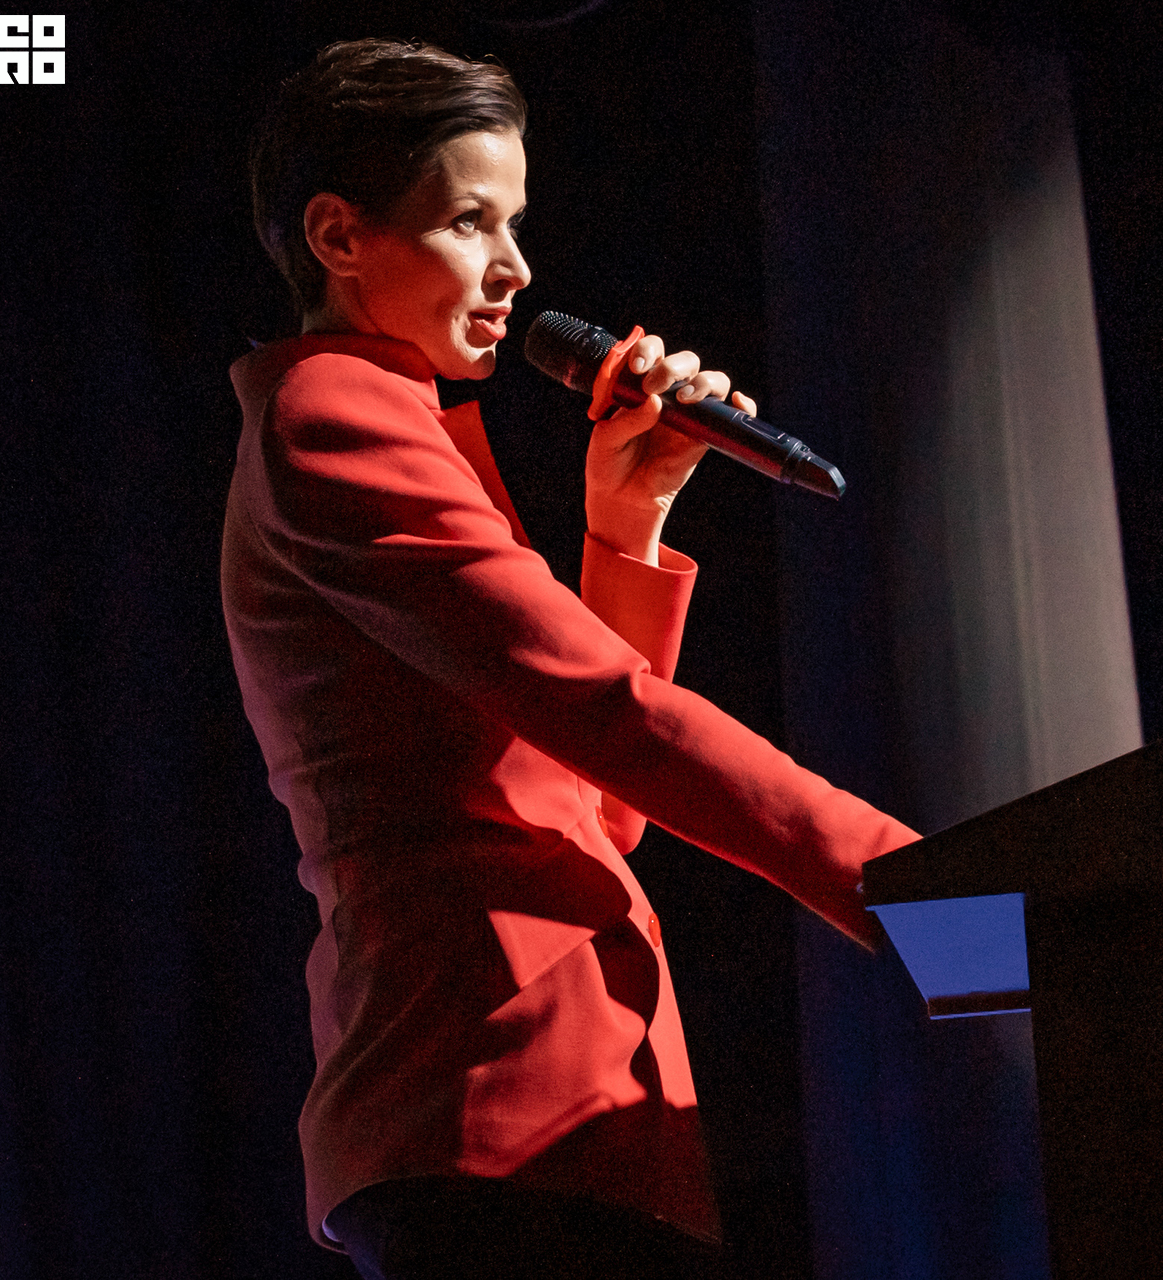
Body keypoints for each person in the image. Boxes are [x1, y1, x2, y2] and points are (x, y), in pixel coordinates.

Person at [224, 38, 918, 1279]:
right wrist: (928, 895)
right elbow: (607, 714)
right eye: (469, 222)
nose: (516, 268)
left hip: (563, 1112)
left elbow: (598, 803)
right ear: (338, 235)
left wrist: (624, 522)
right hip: (487, 1092)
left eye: (515, 221)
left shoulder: (385, 414)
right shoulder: (335, 412)